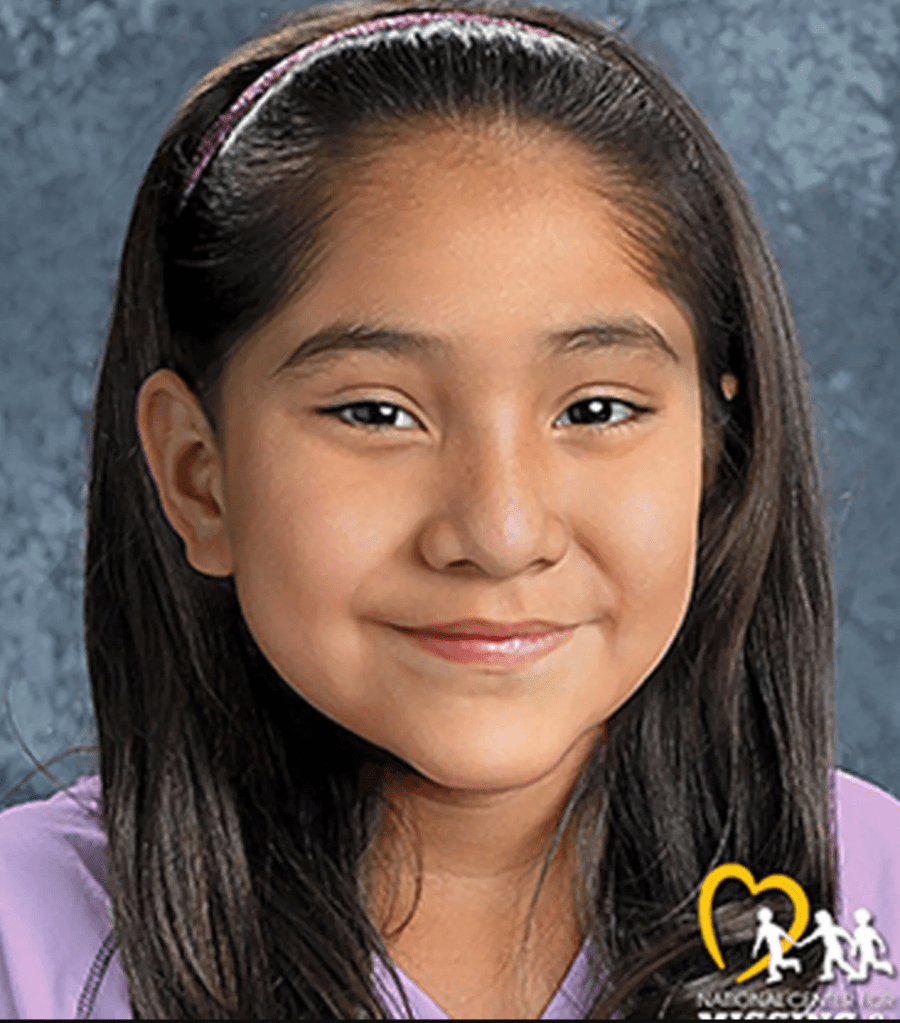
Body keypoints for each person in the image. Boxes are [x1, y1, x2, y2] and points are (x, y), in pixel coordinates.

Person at [0, 0, 898, 1018]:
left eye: (596, 409)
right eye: (377, 413)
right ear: (198, 476)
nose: (500, 533)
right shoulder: (26, 944)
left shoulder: (877, 908)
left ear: (716, 454)